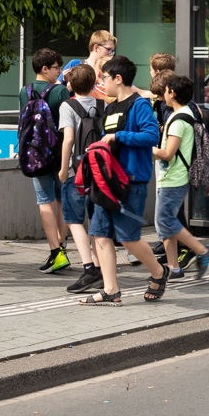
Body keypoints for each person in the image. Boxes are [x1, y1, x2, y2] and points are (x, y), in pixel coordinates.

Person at [80, 55, 163, 305]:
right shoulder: (111, 106)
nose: (102, 81)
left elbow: (151, 136)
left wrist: (119, 137)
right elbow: (108, 138)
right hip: (107, 181)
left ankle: (159, 272)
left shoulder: (140, 105)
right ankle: (111, 290)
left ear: (118, 78)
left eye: (104, 77)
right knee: (100, 234)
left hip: (131, 180)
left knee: (128, 236)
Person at [149, 74, 209, 280]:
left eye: (166, 90)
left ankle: (203, 250)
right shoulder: (183, 114)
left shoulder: (179, 120)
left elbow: (168, 153)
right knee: (165, 224)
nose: (163, 95)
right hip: (171, 177)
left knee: (165, 221)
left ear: (173, 93)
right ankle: (174, 267)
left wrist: (145, 146)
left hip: (174, 178)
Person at [20, 47, 72, 274]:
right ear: (45, 69)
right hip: (60, 153)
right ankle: (62, 246)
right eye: (56, 68)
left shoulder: (25, 91)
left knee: (44, 200)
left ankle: (55, 252)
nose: (58, 72)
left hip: (36, 153)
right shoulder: (60, 92)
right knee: (61, 199)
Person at [57, 64, 104, 295]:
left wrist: (63, 168)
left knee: (74, 220)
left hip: (77, 171)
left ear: (70, 85)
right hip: (98, 170)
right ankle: (101, 266)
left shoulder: (68, 105)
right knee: (96, 220)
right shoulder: (102, 104)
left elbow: (68, 140)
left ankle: (89, 268)